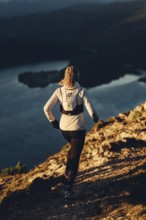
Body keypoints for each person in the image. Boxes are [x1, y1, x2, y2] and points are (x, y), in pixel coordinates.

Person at [43, 66, 99, 199]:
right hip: (77, 129)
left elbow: (46, 108)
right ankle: (68, 189)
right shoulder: (82, 91)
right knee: (76, 158)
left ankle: (66, 172)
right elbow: (90, 108)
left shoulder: (59, 91)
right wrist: (95, 118)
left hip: (64, 129)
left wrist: (53, 121)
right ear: (77, 77)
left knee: (73, 149)